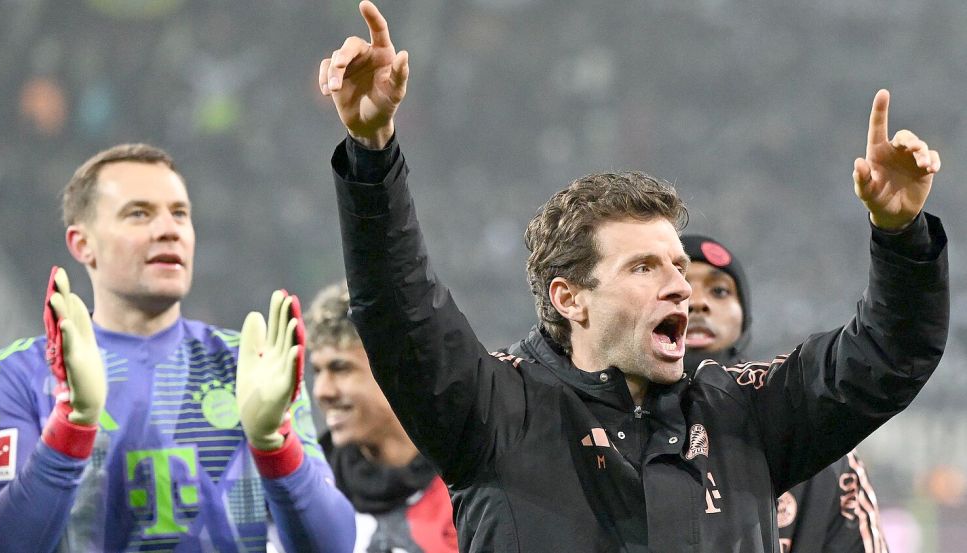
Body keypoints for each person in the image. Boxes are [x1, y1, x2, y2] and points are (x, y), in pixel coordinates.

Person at [320, 2, 948, 551]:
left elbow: (886, 359)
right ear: (571, 298)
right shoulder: (495, 410)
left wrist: (900, 236)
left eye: (678, 265)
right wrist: (373, 155)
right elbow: (401, 312)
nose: (682, 286)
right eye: (644, 267)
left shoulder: (743, 412)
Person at [0, 144, 356, 552]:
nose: (169, 229)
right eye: (138, 213)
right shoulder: (18, 373)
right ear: (82, 244)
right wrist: (71, 427)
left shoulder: (253, 367)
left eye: (180, 213)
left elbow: (332, 546)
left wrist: (274, 441)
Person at [681, 233, 888, 553]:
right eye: (680, 288)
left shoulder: (811, 432)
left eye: (719, 290)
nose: (697, 302)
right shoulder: (607, 424)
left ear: (743, 318)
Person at [306, 281, 458, 553]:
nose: (321, 391)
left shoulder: (470, 478)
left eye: (340, 368)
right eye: (317, 371)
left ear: (395, 369)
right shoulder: (308, 489)